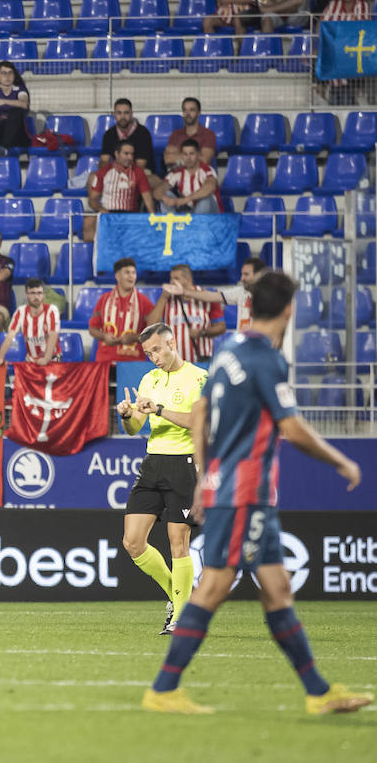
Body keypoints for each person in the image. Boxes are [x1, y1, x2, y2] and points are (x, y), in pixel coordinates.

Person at [143, 272, 370, 715]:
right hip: (244, 492)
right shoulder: (267, 359)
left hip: (239, 490)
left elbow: (204, 410)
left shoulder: (230, 349)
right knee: (213, 588)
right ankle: (165, 689)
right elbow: (291, 428)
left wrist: (206, 474)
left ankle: (319, 692)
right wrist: (340, 460)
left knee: (277, 588)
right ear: (288, 309)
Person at [118, 323, 207, 636]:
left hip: (184, 464)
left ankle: (181, 617)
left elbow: (198, 422)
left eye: (157, 349)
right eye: (148, 352)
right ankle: (179, 596)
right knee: (132, 541)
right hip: (153, 463)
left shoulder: (199, 378)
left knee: (177, 541)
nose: (153, 357)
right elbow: (137, 426)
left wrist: (159, 408)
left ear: (172, 342)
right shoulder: (148, 379)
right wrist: (129, 416)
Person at [146, 264, 227, 364]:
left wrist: (202, 332)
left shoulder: (207, 297)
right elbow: (150, 326)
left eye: (176, 278)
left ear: (188, 280)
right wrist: (163, 298)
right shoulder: (166, 299)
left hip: (200, 362)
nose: (171, 282)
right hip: (174, 363)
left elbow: (221, 327)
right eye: (170, 278)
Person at [165, 256, 266, 332]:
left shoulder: (271, 296)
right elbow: (211, 296)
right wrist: (184, 291)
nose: (241, 278)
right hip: (245, 348)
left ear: (259, 275)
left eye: (246, 274)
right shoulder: (240, 292)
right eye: (242, 274)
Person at [316, 0, 372, 105]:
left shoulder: (362, 6)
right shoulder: (332, 5)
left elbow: (360, 32)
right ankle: (321, 90)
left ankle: (356, 91)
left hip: (355, 50)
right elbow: (321, 27)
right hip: (335, 49)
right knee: (318, 53)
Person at [85, 140, 154, 242]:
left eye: (132, 154)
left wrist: (154, 219)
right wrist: (102, 210)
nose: (130, 157)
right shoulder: (103, 172)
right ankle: (94, 255)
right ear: (116, 154)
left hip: (129, 216)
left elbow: (148, 200)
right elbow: (92, 200)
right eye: (126, 154)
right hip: (108, 214)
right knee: (89, 222)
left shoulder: (138, 172)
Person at [89, 257, 155, 362]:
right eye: (127, 272)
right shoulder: (104, 299)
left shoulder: (145, 302)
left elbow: (153, 334)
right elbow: (92, 329)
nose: (131, 276)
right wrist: (104, 336)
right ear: (117, 276)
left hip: (132, 363)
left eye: (134, 273)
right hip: (105, 362)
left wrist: (135, 337)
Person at [0, 279, 61, 366]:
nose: (36, 297)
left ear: (43, 295)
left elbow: (53, 335)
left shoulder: (52, 310)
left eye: (39, 293)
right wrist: (0, 357)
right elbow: (9, 337)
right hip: (31, 360)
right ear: (26, 295)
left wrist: (46, 358)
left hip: (52, 358)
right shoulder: (20, 311)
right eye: (32, 293)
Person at [158, 139, 220, 214]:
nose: (188, 158)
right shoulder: (177, 172)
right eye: (185, 154)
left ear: (198, 154)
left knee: (205, 200)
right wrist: (164, 197)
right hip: (188, 211)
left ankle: (196, 224)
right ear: (181, 156)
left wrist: (184, 200)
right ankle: (172, 223)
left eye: (191, 154)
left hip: (212, 215)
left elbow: (210, 187)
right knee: (166, 194)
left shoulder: (207, 170)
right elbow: (158, 190)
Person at [98, 97, 155, 171]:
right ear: (114, 114)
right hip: (116, 171)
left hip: (141, 173)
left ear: (131, 114)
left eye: (126, 113)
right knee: (92, 177)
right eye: (119, 113)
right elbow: (104, 161)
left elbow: (140, 165)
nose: (122, 117)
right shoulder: (109, 134)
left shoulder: (143, 133)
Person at [162, 97, 217, 168]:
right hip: (178, 174)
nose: (188, 114)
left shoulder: (208, 134)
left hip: (200, 175)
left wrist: (178, 156)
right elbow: (168, 160)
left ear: (199, 112)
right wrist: (195, 156)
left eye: (192, 110)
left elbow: (204, 160)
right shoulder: (175, 135)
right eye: (185, 110)